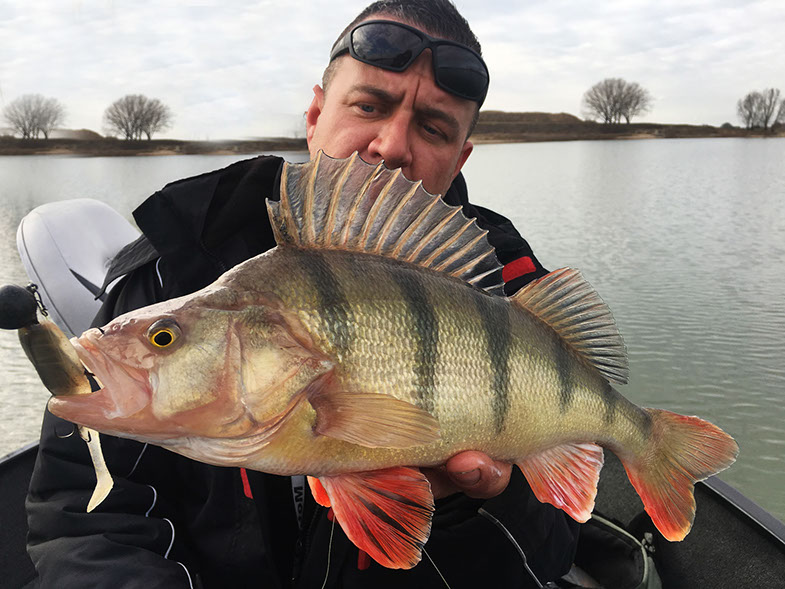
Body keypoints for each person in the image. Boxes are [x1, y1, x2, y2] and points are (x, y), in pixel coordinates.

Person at [26, 1, 579, 587]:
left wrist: (471, 506)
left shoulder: (509, 288)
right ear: (315, 115)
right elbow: (80, 517)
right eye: (369, 106)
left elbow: (551, 551)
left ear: (460, 157)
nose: (391, 145)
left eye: (433, 128)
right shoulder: (177, 265)